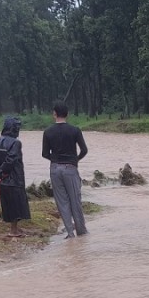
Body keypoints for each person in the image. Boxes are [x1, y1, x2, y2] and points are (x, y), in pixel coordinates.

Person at [42, 101, 89, 239]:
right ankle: (81, 231)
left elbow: (45, 154)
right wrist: (75, 160)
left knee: (62, 201)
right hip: (70, 168)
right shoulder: (75, 130)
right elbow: (84, 150)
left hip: (55, 168)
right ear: (67, 114)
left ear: (54, 114)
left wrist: (56, 159)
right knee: (75, 200)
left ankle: (69, 233)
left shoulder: (48, 132)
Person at [0, 116, 31, 237]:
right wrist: (3, 172)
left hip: (3, 179)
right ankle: (14, 230)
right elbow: (11, 160)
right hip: (14, 178)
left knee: (7, 203)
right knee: (16, 204)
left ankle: (15, 228)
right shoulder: (16, 143)